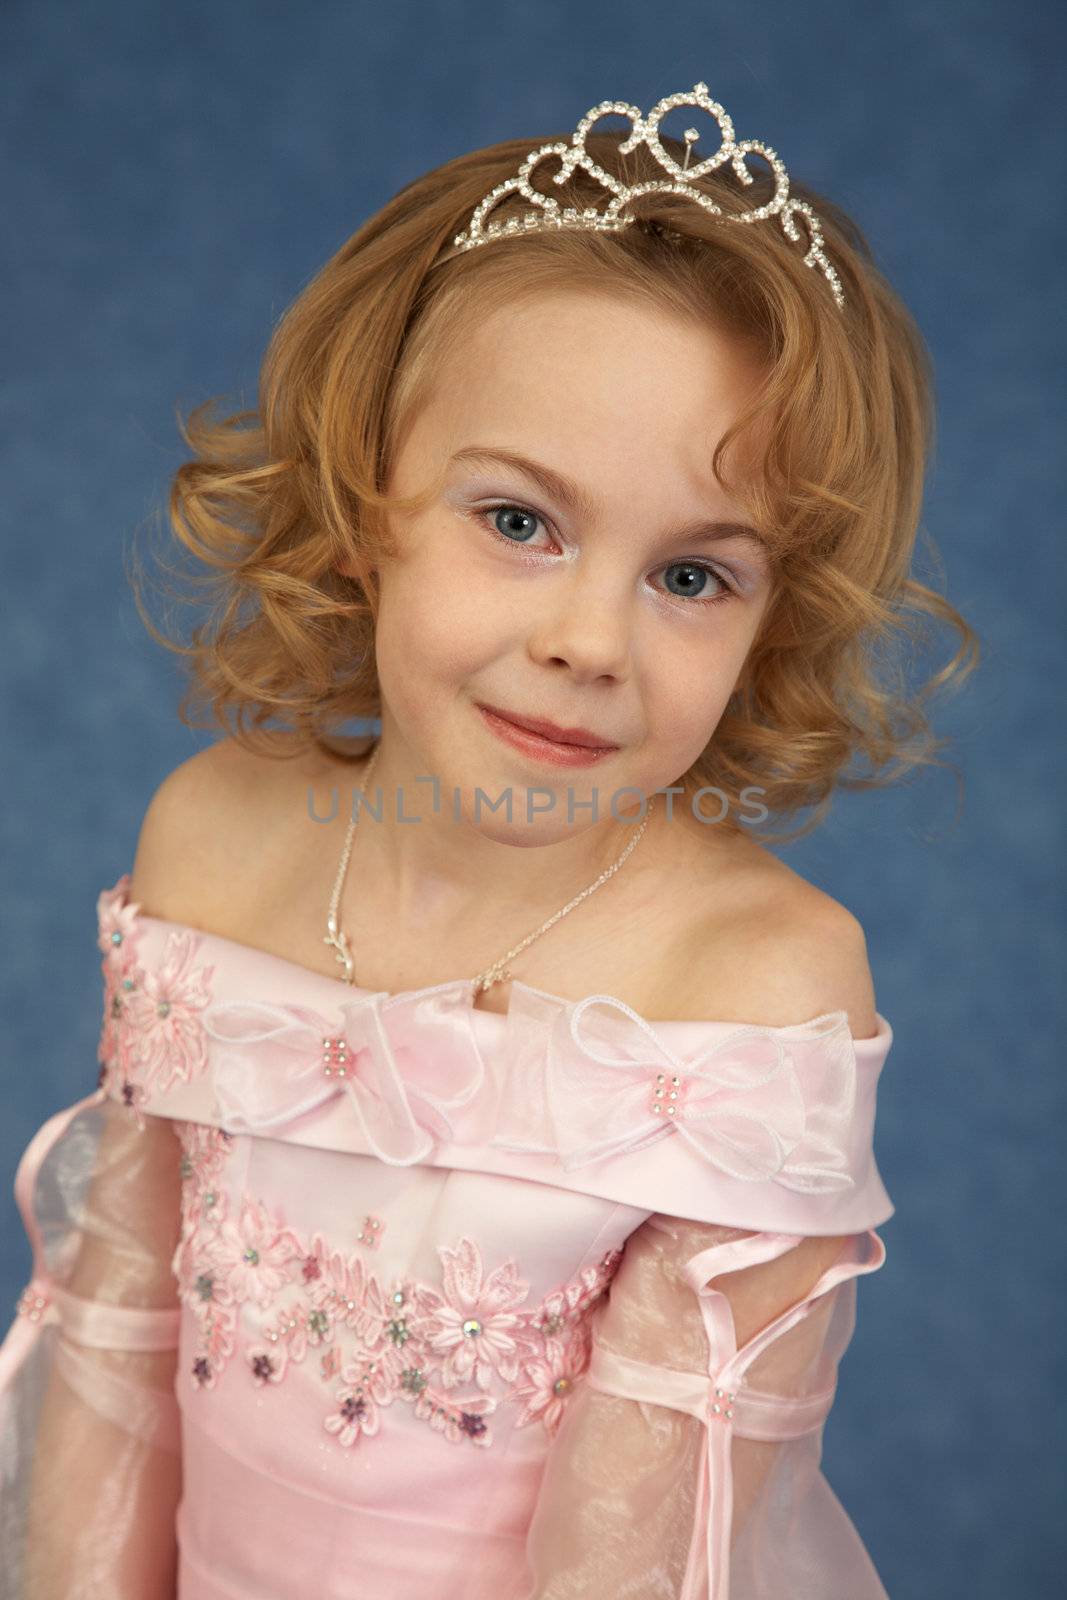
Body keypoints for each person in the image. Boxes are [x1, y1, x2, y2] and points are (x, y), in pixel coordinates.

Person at [0, 81, 977, 1599]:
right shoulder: (212, 842)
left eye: (696, 577)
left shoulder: (758, 981)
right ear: (360, 499)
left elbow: (639, 1549)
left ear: (778, 616)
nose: (592, 641)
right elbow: (114, 1352)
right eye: (520, 521)